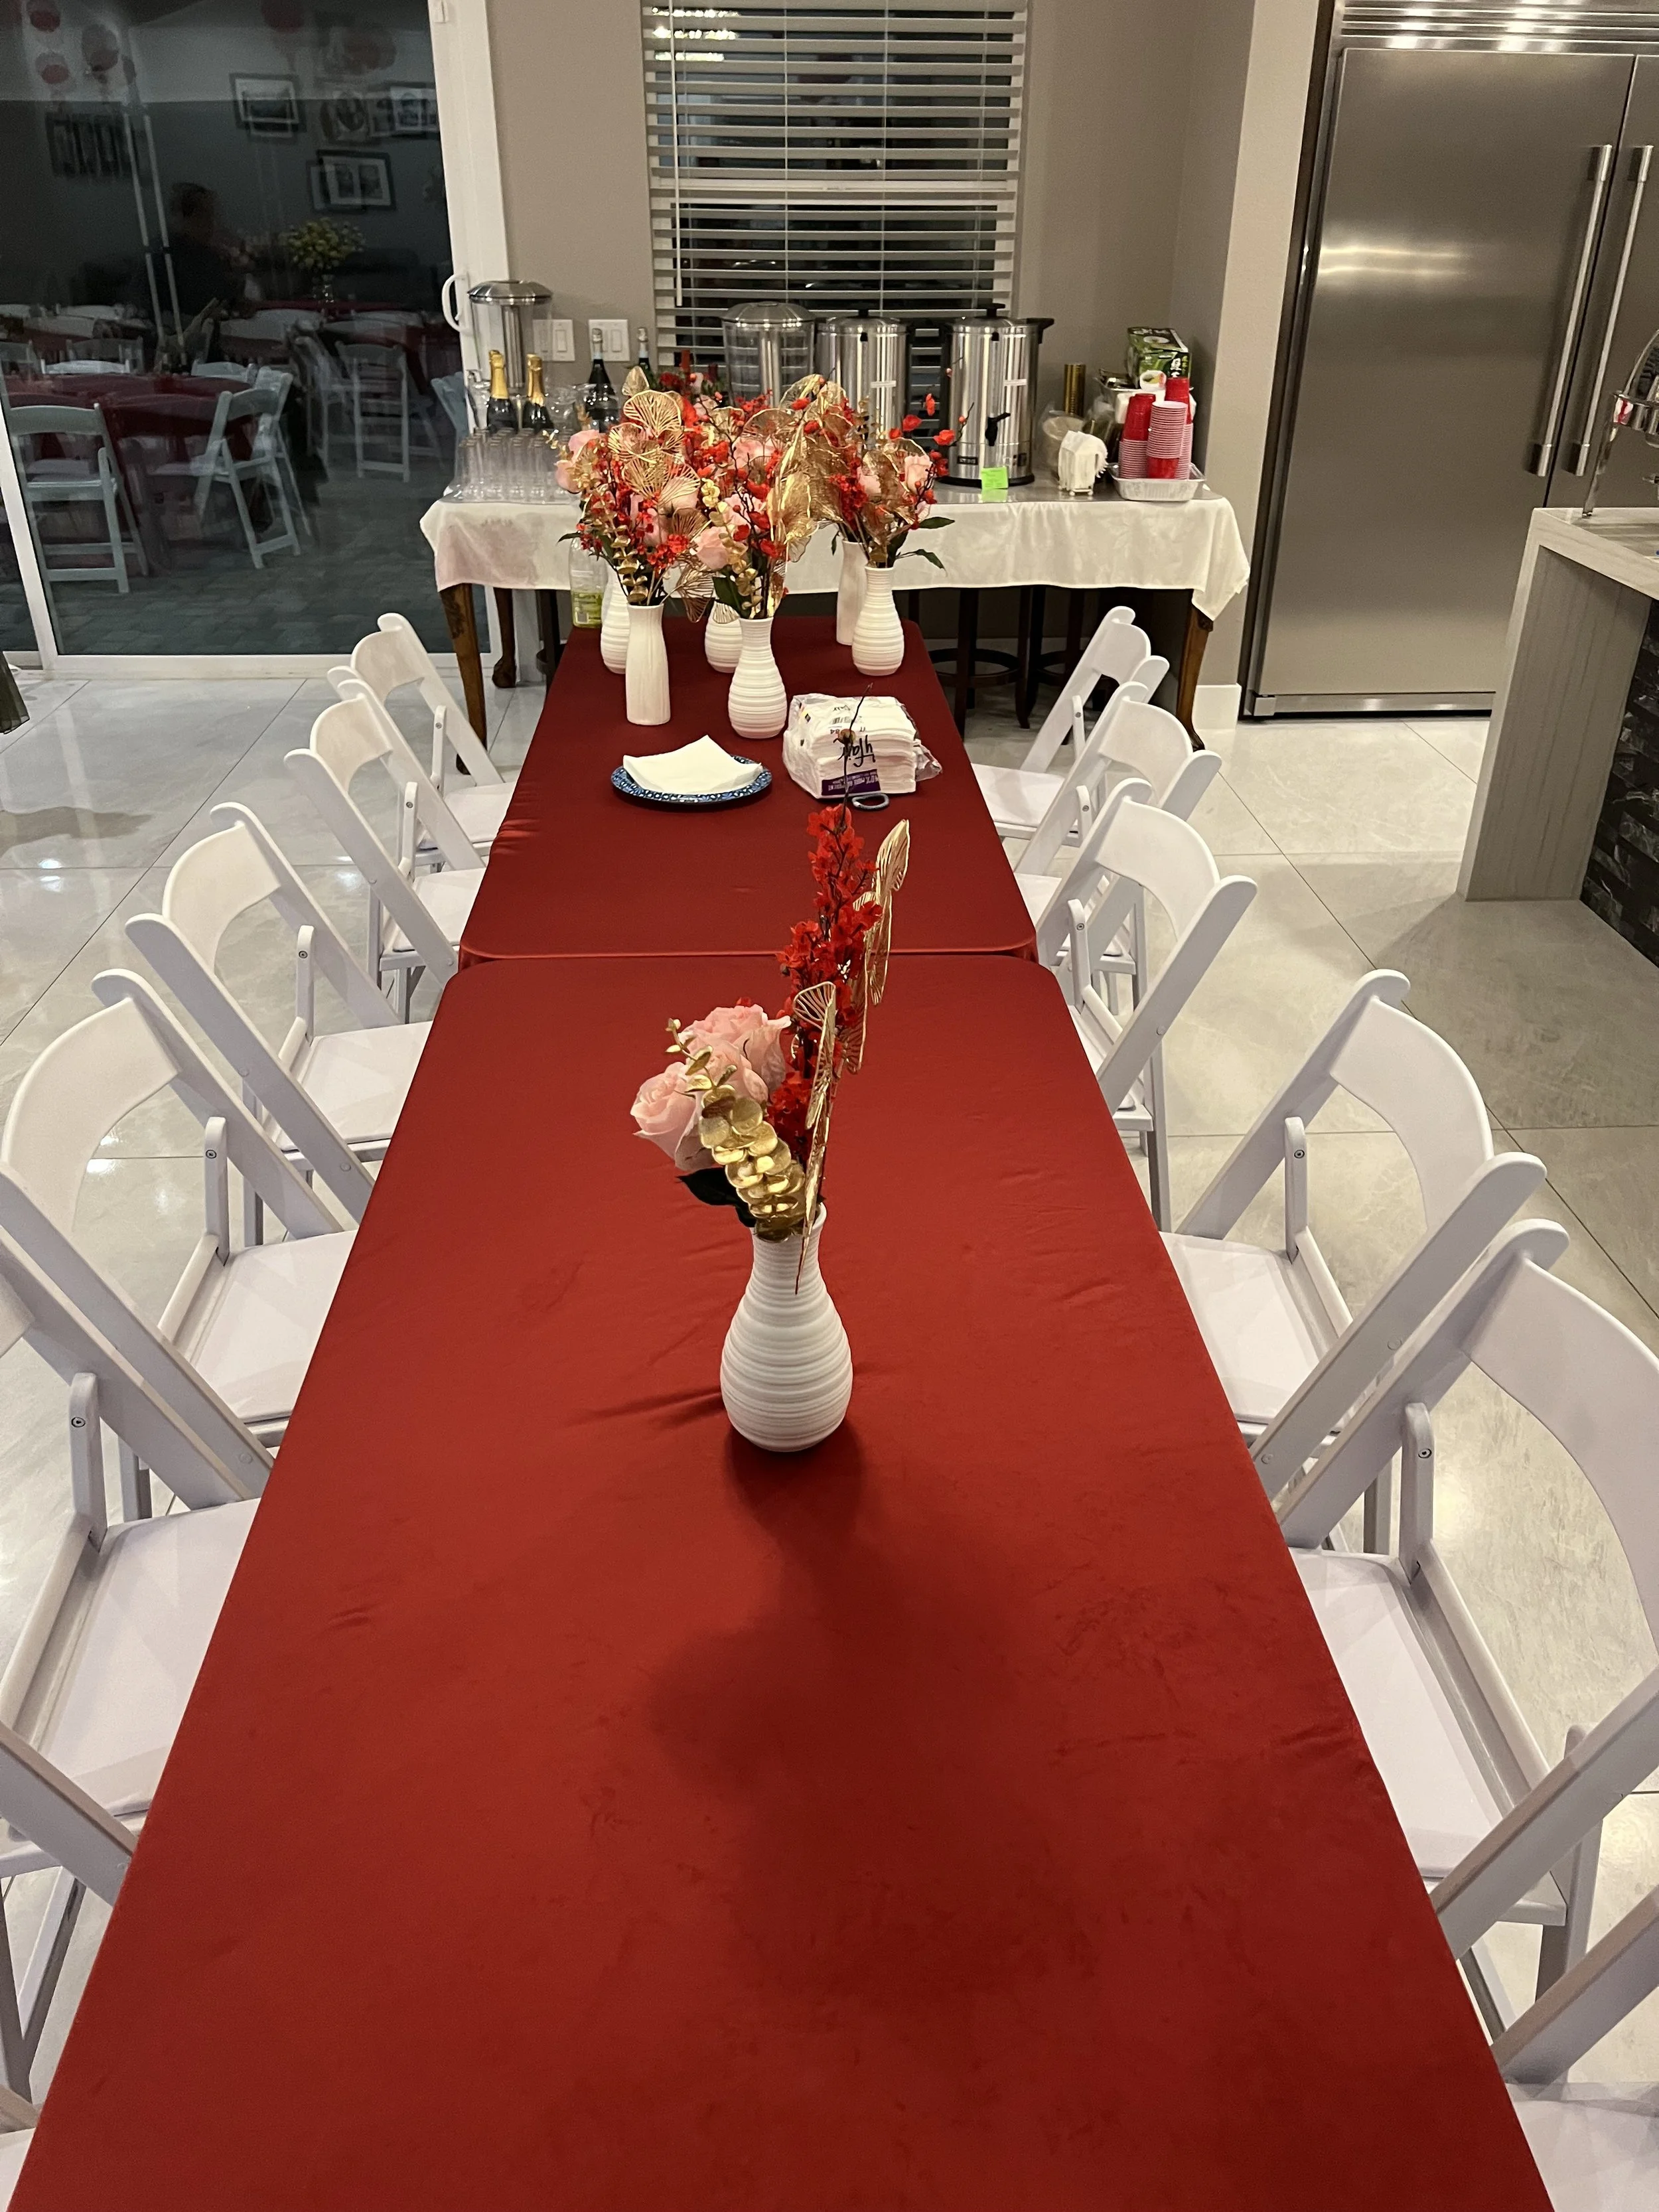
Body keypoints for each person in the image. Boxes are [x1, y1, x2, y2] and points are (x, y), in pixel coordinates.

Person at [165, 183, 248, 321]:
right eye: (206, 216)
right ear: (187, 219)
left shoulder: (209, 256)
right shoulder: (161, 258)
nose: (213, 224)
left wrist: (238, 304)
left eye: (213, 216)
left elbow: (223, 297)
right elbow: (151, 316)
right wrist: (202, 319)